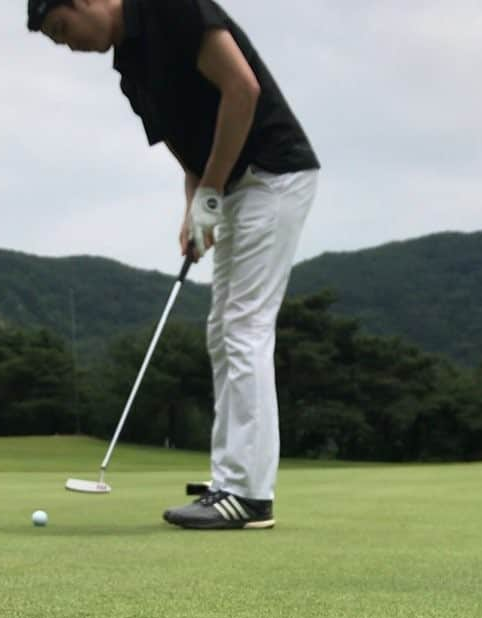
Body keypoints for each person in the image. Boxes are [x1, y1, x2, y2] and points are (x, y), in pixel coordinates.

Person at [28, 0, 319, 529]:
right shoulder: (129, 70)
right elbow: (189, 151)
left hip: (272, 173)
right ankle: (231, 478)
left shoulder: (168, 7)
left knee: (244, 327)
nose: (66, 44)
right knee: (222, 330)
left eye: (61, 29)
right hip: (232, 186)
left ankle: (249, 495)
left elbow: (242, 89)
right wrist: (194, 210)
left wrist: (210, 191)